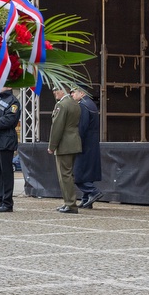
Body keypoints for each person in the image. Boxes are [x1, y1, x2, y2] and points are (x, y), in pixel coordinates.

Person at [48, 85, 82, 214]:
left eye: (56, 90)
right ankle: (69, 202)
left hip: (64, 144)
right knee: (68, 174)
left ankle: (70, 204)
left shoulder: (61, 105)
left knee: (64, 176)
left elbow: (57, 127)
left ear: (62, 91)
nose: (54, 92)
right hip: (73, 142)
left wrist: (52, 146)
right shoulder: (74, 103)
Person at [71, 85, 103, 208]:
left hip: (84, 144)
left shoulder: (83, 106)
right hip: (92, 143)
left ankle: (93, 192)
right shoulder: (91, 104)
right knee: (87, 172)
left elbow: (81, 127)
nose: (72, 95)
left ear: (82, 93)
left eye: (74, 92)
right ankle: (86, 199)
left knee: (77, 173)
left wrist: (76, 143)